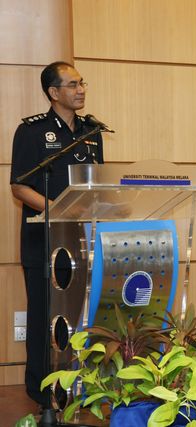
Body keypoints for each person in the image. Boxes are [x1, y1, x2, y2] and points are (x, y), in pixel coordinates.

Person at [10, 61, 104, 406]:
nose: (81, 90)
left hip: (81, 242)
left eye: (82, 83)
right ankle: (41, 393)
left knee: (80, 317)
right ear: (53, 92)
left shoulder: (92, 131)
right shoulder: (32, 131)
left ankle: (78, 387)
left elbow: (97, 185)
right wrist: (58, 210)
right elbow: (20, 187)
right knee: (43, 319)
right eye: (73, 84)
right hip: (44, 242)